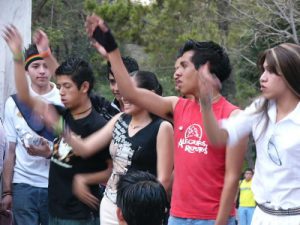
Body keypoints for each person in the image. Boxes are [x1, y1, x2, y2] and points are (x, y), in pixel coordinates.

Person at [85, 15, 248, 225]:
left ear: (206, 69)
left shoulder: (234, 116)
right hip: (177, 217)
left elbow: (233, 178)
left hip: (213, 220)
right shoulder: (177, 106)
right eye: (175, 68)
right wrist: (112, 52)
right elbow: (129, 92)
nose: (176, 74)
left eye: (183, 66)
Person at [3, 25, 112, 225]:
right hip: (55, 209)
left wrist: (85, 180)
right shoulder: (63, 113)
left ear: (84, 87)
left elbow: (110, 169)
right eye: (59, 86)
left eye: (66, 87)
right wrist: (18, 56)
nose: (60, 92)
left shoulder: (98, 124)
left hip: (80, 215)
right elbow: (25, 96)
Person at [197, 43, 300, 224]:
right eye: (263, 70)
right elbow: (218, 138)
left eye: (271, 71)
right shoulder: (260, 109)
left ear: (290, 74)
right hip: (260, 216)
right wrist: (205, 104)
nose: (262, 78)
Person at [65, 69, 173, 225]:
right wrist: (57, 124)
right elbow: (86, 148)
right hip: (110, 203)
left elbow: (163, 179)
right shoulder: (120, 119)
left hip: (139, 210)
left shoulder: (162, 127)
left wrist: (149, 211)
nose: (124, 97)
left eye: (130, 91)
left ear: (149, 94)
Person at [1, 32, 61, 224]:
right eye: (35, 66)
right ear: (26, 70)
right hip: (23, 185)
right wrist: (7, 191)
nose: (42, 71)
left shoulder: (64, 99)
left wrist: (48, 152)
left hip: (57, 184)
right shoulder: (14, 103)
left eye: (45, 65)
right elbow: (10, 151)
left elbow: (78, 148)